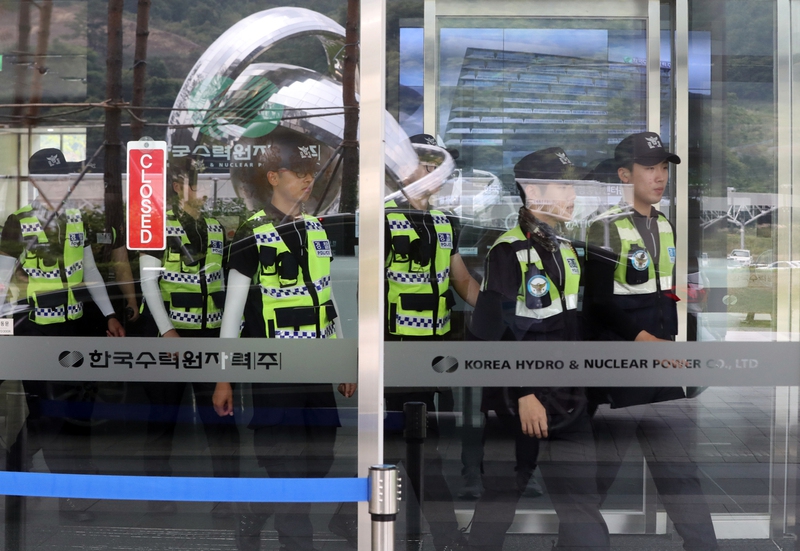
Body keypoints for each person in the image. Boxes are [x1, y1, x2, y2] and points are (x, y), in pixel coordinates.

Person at [211, 129, 355, 551]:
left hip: (317, 367)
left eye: (312, 173)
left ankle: (256, 509)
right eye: (299, 172)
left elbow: (328, 300)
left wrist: (344, 358)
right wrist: (225, 378)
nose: (308, 180)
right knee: (287, 466)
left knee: (320, 461)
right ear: (273, 177)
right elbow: (232, 315)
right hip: (275, 369)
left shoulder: (315, 229)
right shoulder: (250, 234)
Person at [466, 147, 610, 551]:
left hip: (567, 399)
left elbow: (571, 325)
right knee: (499, 502)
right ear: (532, 190)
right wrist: (525, 392)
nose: (572, 193)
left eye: (572, 184)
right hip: (519, 404)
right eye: (564, 184)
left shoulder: (565, 248)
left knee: (581, 505)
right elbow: (493, 333)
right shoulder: (508, 251)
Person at [583, 132, 719, 551]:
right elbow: (599, 302)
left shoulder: (663, 222)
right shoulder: (604, 227)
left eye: (663, 169)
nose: (659, 177)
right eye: (649, 169)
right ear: (625, 175)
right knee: (601, 475)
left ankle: (704, 545)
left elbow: (667, 293)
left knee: (677, 468)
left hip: (661, 362)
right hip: (622, 363)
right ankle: (575, 544)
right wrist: (647, 341)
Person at [0, 198, 125, 522]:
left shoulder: (75, 220)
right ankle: (64, 495)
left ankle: (16, 466)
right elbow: (1, 277)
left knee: (67, 410)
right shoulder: (20, 222)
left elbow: (90, 270)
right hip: (34, 330)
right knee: (52, 411)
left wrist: (109, 314)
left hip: (73, 328)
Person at [138, 155, 239, 515]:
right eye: (196, 185)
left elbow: (224, 281)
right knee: (162, 417)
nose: (204, 193)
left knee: (221, 417)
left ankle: (226, 495)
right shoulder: (157, 227)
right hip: (170, 337)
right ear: (178, 187)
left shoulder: (214, 228)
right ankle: (157, 493)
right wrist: (167, 331)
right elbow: (147, 282)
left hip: (211, 334)